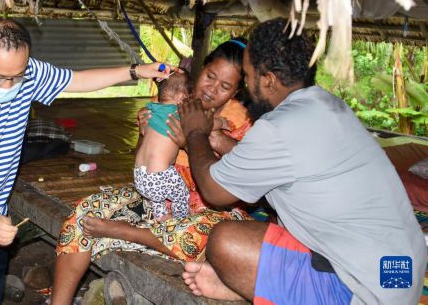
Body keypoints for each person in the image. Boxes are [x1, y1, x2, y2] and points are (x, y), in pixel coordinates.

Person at [0, 19, 170, 305]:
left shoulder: (28, 72)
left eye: (16, 77)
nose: (9, 86)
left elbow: (78, 81)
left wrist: (135, 71)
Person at [178, 18, 426, 304]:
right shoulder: (330, 106)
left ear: (268, 80)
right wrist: (221, 142)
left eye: (246, 77)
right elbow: (280, 163)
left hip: (367, 291)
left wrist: (195, 131)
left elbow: (212, 189)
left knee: (226, 241)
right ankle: (250, 288)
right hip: (400, 274)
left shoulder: (278, 127)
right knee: (276, 220)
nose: (246, 86)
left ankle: (251, 289)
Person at [52, 38, 253, 305]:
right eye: (210, 76)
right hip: (159, 198)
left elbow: (246, 177)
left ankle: (125, 232)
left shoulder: (240, 123)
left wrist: (200, 141)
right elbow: (143, 160)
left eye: (225, 86)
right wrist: (145, 134)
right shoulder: (173, 96)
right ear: (200, 69)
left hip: (211, 211)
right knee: (83, 215)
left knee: (203, 235)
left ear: (237, 92)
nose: (211, 89)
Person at [134, 70, 194, 221]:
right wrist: (219, 122)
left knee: (157, 196)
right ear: (181, 96)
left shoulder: (149, 111)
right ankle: (181, 219)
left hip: (139, 177)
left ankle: (160, 216)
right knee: (181, 194)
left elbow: (145, 132)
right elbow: (201, 125)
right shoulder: (178, 114)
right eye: (188, 95)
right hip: (159, 178)